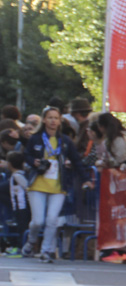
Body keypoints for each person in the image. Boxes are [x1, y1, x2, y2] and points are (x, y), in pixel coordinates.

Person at [22, 106, 87, 262]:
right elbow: (26, 155)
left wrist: (86, 178)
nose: (53, 121)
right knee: (38, 221)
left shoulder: (65, 141)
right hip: (37, 184)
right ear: (44, 120)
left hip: (58, 186)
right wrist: (34, 162)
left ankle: (46, 251)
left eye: (56, 118)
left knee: (52, 219)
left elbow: (77, 160)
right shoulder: (35, 138)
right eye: (50, 118)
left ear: (60, 122)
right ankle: (31, 242)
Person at [6, 151, 30, 255]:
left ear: (10, 164)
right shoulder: (16, 175)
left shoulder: (18, 176)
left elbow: (27, 187)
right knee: (19, 226)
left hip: (22, 206)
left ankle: (22, 248)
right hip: (17, 206)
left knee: (22, 228)